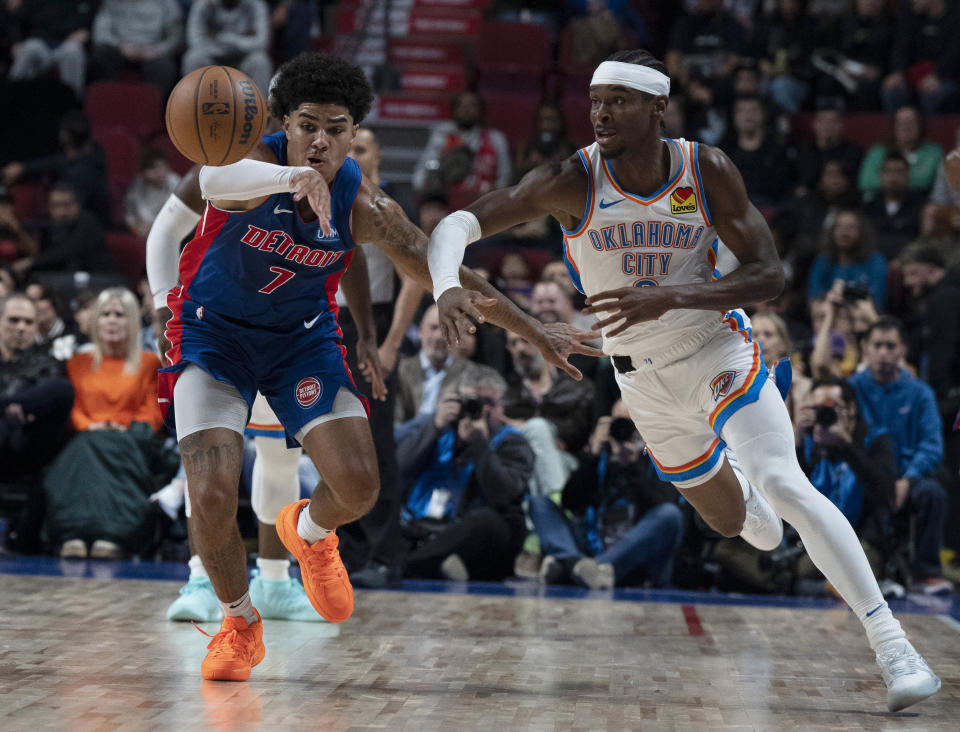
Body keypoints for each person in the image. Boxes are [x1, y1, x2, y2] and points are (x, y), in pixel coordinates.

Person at [426, 49, 940, 711]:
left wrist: (674, 297)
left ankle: (892, 644)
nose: (601, 113)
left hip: (716, 349)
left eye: (618, 100)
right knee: (731, 522)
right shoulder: (573, 179)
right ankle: (751, 500)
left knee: (787, 480)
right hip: (640, 380)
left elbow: (770, 277)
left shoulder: (706, 169)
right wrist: (444, 286)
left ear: (657, 106)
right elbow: (457, 224)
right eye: (596, 100)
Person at [158, 51, 598, 681]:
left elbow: (437, 267)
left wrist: (532, 328)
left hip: (299, 341)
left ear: (354, 133)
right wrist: (288, 182)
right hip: (213, 335)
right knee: (209, 487)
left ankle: (308, 532)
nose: (321, 140)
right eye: (308, 124)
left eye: (337, 128)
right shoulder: (245, 161)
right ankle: (238, 623)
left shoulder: (363, 202)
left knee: (361, 487)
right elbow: (211, 181)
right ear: (284, 122)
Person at [44, 287, 167, 559]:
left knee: (108, 448)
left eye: (120, 314)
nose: (112, 320)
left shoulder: (149, 363)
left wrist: (122, 428)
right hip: (84, 437)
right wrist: (88, 426)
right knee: (83, 451)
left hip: (130, 439)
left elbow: (152, 411)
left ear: (133, 320)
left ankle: (112, 534)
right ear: (96, 321)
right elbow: (73, 408)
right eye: (106, 314)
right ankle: (72, 531)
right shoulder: (77, 363)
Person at [532, 399, 683, 589]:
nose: (624, 429)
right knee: (540, 504)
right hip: (594, 540)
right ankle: (577, 564)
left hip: (636, 555)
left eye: (632, 422)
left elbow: (662, 508)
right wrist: (592, 456)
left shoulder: (659, 453)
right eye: (618, 422)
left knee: (670, 515)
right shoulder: (600, 453)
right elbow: (570, 503)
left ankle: (577, 568)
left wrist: (633, 466)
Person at [848, 317, 951, 596]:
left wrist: (907, 478)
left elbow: (932, 445)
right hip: (866, 476)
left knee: (933, 493)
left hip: (907, 476)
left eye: (890, 345)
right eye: (877, 345)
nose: (883, 352)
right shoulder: (851, 389)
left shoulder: (921, 393)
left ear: (902, 350)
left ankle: (925, 573)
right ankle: (860, 571)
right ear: (865, 349)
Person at [396, 376, 533, 582]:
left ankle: (407, 566)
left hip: (474, 534)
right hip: (423, 527)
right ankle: (436, 564)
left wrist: (480, 445)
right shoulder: (440, 430)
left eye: (487, 403)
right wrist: (434, 425)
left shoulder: (513, 441)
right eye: (470, 401)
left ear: (500, 407)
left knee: (489, 523)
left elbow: (503, 496)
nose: (479, 409)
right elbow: (399, 470)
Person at [412, 91, 512, 202]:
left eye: (471, 105)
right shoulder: (441, 137)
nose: (466, 110)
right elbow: (420, 177)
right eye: (462, 105)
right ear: (454, 109)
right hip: (448, 204)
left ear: (481, 110)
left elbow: (505, 179)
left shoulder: (496, 139)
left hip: (485, 203)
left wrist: (490, 188)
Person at [10, 182, 113, 279]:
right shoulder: (50, 224)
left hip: (98, 280)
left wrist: (31, 262)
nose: (60, 212)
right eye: (55, 205)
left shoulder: (89, 222)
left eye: (66, 205)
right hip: (60, 280)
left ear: (78, 204)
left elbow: (68, 249)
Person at [182, 0, 273, 96]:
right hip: (213, 61)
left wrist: (221, 39)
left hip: (242, 60)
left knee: (260, 60)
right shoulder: (203, 5)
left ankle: (260, 108)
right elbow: (195, 42)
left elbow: (262, 43)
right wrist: (243, 40)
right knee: (193, 58)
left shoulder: (255, 5)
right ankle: (192, 108)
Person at [89, 0, 184, 92]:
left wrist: (158, 50)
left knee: (164, 66)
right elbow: (100, 33)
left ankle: (155, 106)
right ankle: (107, 101)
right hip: (120, 48)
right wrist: (120, 46)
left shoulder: (167, 3)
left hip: (152, 50)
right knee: (101, 54)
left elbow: (176, 36)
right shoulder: (111, 2)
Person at [806, 208, 886, 309]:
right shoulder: (823, 261)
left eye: (850, 227)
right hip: (828, 316)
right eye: (839, 227)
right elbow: (814, 297)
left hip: (863, 319)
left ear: (862, 231)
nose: (844, 233)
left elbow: (876, 299)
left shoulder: (875, 260)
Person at [861, 153, 924, 260]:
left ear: (908, 176)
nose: (893, 177)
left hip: (910, 262)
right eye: (888, 171)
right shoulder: (868, 208)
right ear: (881, 176)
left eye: (899, 172)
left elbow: (922, 242)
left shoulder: (920, 207)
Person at [124, 146, 182, 238]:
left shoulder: (175, 183)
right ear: (144, 171)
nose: (159, 172)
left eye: (162, 167)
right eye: (154, 169)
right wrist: (136, 227)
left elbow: (178, 215)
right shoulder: (137, 185)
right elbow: (130, 216)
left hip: (170, 231)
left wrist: (154, 226)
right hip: (143, 231)